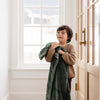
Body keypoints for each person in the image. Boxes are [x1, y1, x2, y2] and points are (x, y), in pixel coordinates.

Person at [45, 25, 76, 92]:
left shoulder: (70, 47)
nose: (59, 34)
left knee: (65, 94)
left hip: (67, 76)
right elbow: (48, 59)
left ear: (68, 36)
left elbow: (72, 60)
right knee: (55, 94)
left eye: (63, 33)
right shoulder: (54, 45)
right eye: (58, 32)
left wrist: (62, 53)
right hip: (55, 75)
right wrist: (52, 49)